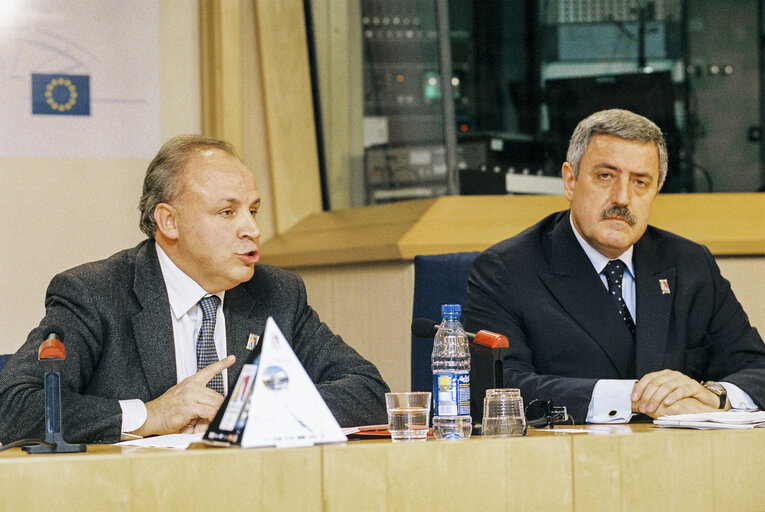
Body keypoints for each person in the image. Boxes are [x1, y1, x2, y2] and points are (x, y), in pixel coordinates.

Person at [0, 135, 389, 444]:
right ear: (169, 221)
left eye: (253, 210)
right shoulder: (96, 293)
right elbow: (15, 405)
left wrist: (246, 413)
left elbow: (368, 392)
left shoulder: (277, 293)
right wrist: (151, 415)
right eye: (227, 212)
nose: (251, 229)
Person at [464, 109, 765, 424]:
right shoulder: (506, 270)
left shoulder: (690, 264)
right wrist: (634, 397)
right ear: (570, 181)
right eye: (605, 176)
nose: (622, 197)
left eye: (640, 182)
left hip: (680, 462)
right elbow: (496, 389)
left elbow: (757, 371)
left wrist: (715, 395)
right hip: (567, 464)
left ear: (656, 192)